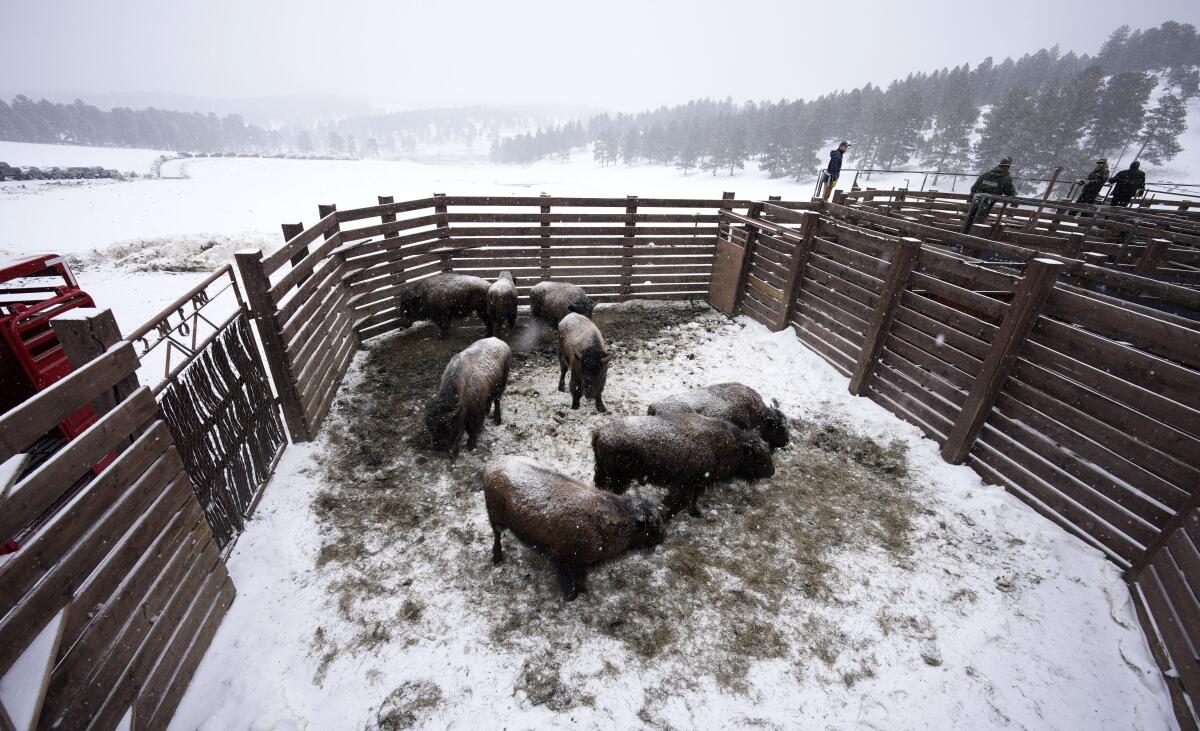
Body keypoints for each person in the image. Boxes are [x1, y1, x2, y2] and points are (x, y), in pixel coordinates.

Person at [962, 156, 1017, 231]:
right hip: (987, 203)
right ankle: (972, 234)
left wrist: (970, 199)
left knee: (969, 219)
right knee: (978, 221)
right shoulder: (1006, 178)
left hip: (976, 201)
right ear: (1007, 167)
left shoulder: (986, 174)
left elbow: (974, 188)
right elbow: (1009, 193)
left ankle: (964, 233)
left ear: (999, 165)